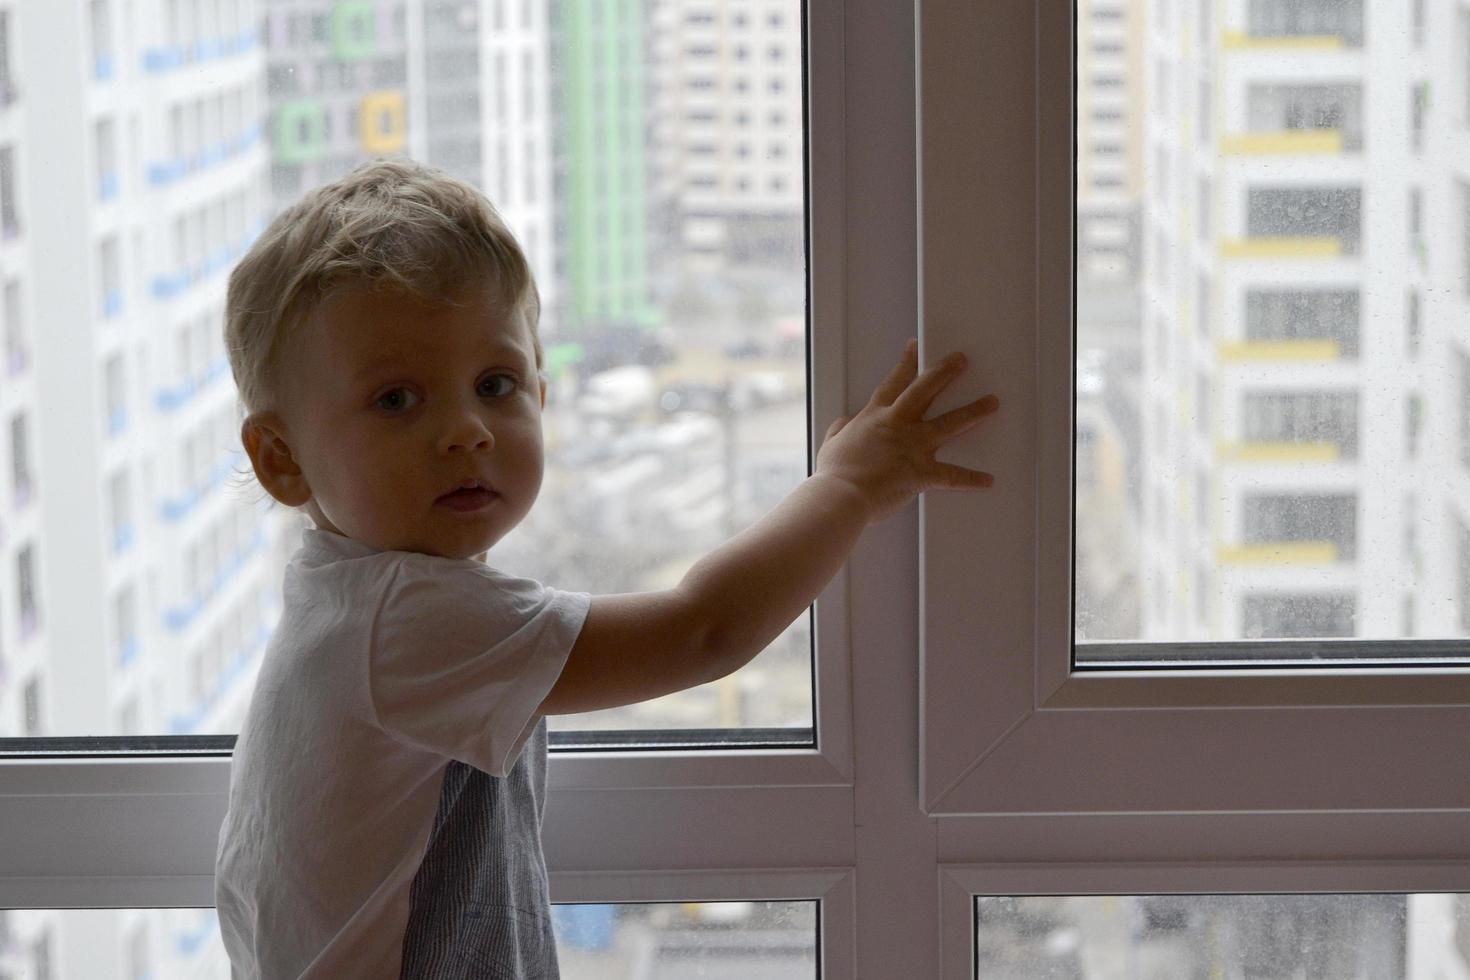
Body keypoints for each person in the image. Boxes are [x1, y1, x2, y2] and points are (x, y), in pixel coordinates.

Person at [213, 157, 1000, 978]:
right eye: (396, 400)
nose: (467, 430)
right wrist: (847, 486)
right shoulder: (405, 621)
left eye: (495, 383)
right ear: (282, 459)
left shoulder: (337, 595)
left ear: (541, 398)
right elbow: (704, 629)